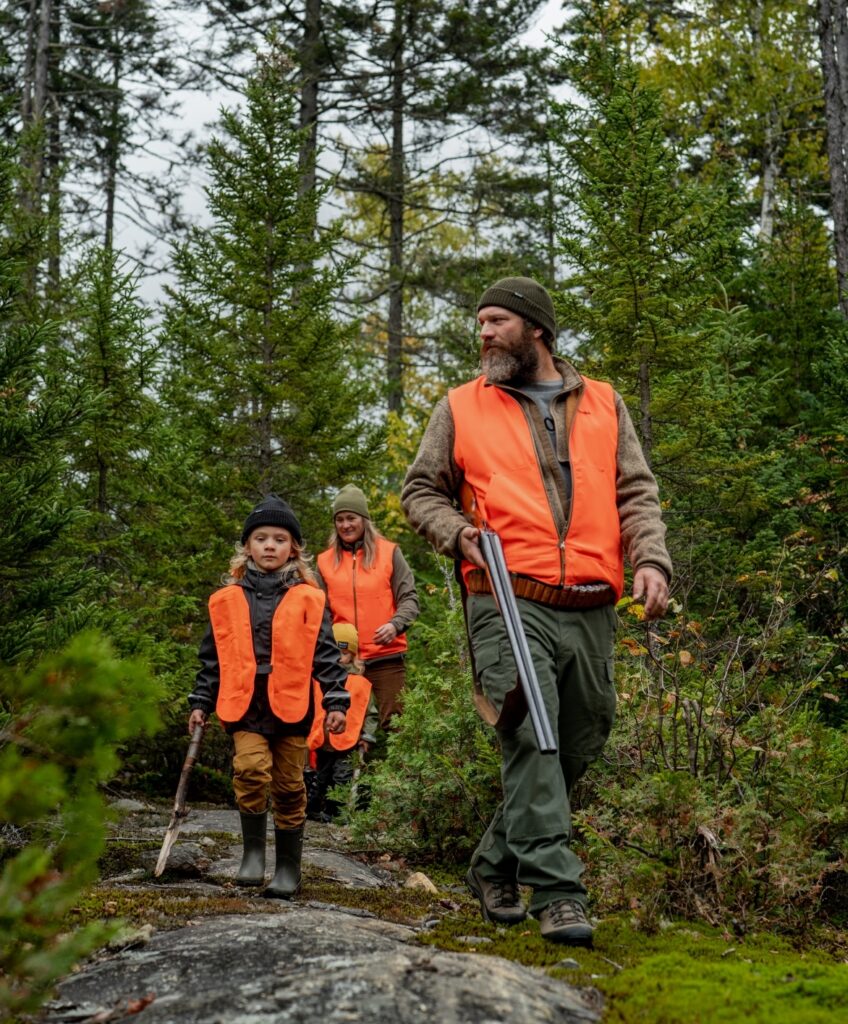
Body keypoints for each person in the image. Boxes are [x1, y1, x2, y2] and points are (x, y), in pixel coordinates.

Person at [401, 276, 672, 946]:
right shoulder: (462, 406)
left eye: (495, 321)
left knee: (581, 736)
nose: (483, 333)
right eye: (480, 322)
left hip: (590, 601)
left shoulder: (604, 404)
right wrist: (457, 532)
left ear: (536, 330)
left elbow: (635, 490)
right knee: (532, 733)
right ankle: (558, 893)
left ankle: (494, 861)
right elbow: (420, 491)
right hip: (504, 594)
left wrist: (651, 561)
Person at [187, 494, 349, 898]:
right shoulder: (225, 601)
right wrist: (200, 702)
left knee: (290, 785)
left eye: (279, 539)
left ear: (294, 547)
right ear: (247, 547)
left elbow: (325, 653)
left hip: (292, 706)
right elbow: (212, 658)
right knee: (250, 769)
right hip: (243, 703)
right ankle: (253, 855)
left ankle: (288, 869)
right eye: (261, 538)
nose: (270, 546)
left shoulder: (310, 598)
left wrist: (336, 700)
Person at [316, 484, 419, 732]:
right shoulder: (324, 561)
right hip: (342, 661)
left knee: (397, 727)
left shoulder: (389, 553)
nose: (345, 525)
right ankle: (348, 772)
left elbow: (410, 599)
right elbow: (321, 612)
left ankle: (401, 772)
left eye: (351, 518)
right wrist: (332, 648)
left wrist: (395, 625)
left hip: (387, 657)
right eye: (339, 519)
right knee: (340, 729)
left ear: (364, 519)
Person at [306, 622, 379, 822]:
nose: (339, 657)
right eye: (335, 651)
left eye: (344, 652)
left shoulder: (361, 684)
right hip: (322, 741)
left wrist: (367, 736)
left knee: (342, 778)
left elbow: (370, 713)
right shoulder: (317, 679)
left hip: (349, 743)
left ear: (353, 655)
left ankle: (335, 814)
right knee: (319, 779)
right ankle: (312, 811)